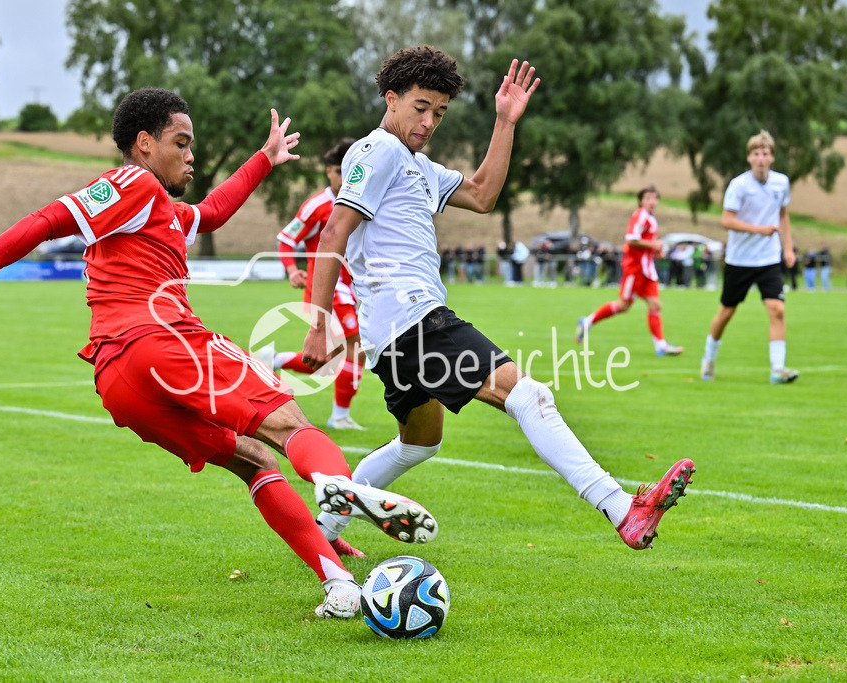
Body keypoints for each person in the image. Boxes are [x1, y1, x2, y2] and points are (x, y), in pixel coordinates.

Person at [0, 88, 439, 620]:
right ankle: (336, 487)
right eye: (180, 142)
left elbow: (210, 214)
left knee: (253, 460)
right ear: (143, 144)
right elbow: (46, 221)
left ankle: (339, 584)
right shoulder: (132, 183)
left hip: (119, 382)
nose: (192, 155)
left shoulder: (158, 209)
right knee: (289, 421)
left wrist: (264, 158)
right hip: (162, 341)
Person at [300, 46, 694, 554]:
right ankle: (623, 508)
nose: (428, 122)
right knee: (529, 396)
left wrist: (505, 121)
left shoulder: (417, 165)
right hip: (413, 319)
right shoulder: (376, 151)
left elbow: (483, 194)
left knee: (419, 443)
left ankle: (323, 534)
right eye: (420, 107)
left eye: (439, 112)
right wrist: (317, 323)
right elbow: (333, 232)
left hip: (393, 332)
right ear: (390, 98)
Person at [269, 139, 366, 432]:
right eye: (339, 170)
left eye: (350, 170)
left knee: (331, 359)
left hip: (350, 288)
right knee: (356, 347)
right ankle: (339, 416)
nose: (345, 176)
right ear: (328, 172)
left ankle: (273, 360)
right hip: (329, 289)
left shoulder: (361, 200)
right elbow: (287, 240)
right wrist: (292, 270)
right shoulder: (318, 206)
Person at [700, 129, 798, 384]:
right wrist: (759, 230)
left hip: (768, 259)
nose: (761, 158)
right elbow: (726, 220)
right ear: (749, 158)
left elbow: (783, 214)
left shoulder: (781, 183)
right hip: (739, 260)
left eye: (765, 153)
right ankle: (708, 359)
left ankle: (778, 369)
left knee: (777, 309)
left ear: (772, 158)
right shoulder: (739, 185)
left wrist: (788, 248)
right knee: (726, 312)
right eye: (756, 153)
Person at [575, 186, 683, 357]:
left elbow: (644, 242)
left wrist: (656, 251)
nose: (652, 201)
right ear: (641, 201)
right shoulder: (640, 215)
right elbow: (631, 239)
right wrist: (654, 245)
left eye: (655, 198)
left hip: (647, 270)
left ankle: (661, 346)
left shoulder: (650, 218)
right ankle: (587, 322)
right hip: (635, 269)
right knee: (624, 306)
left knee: (655, 305)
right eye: (648, 198)